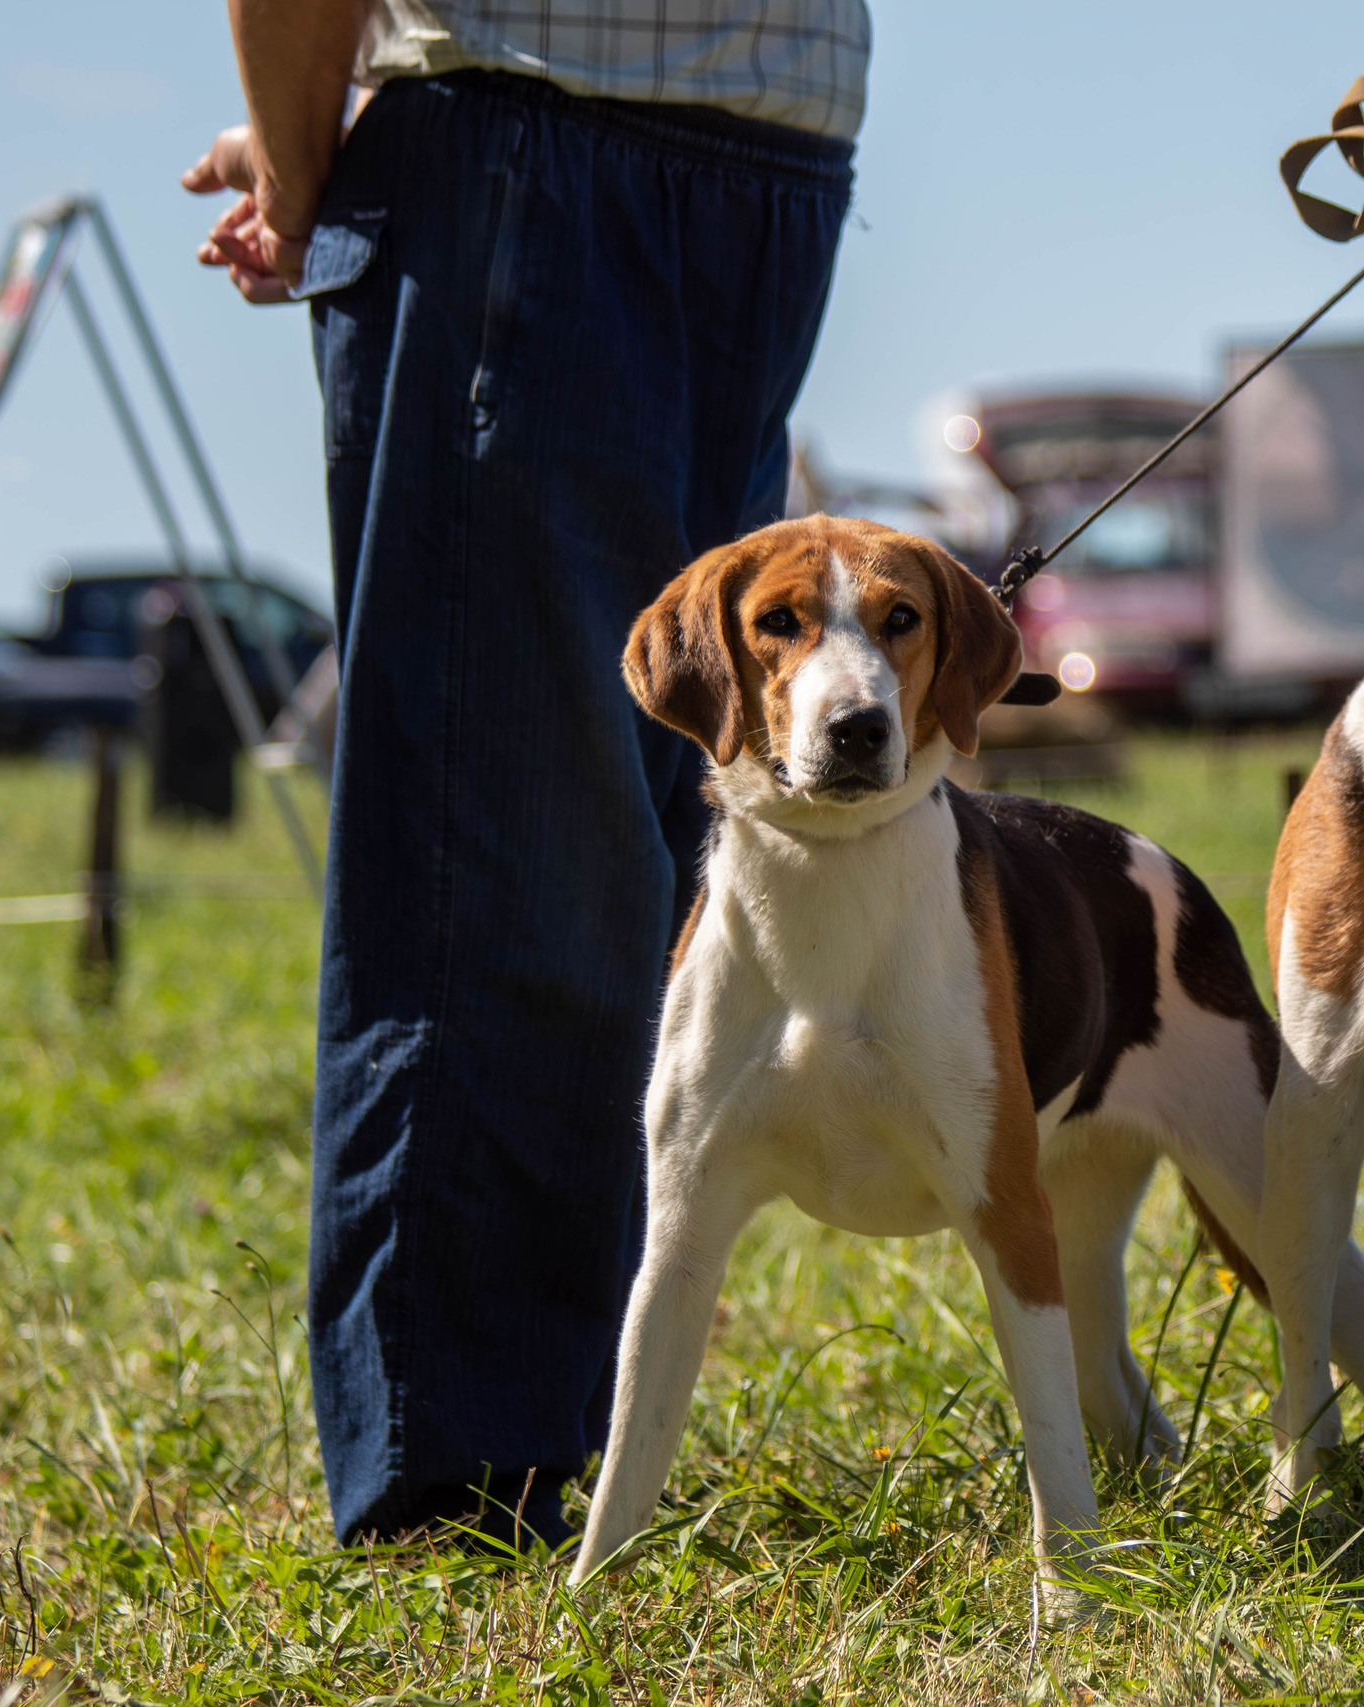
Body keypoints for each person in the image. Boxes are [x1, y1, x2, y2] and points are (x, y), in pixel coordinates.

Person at [183, 0, 868, 1547]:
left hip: (532, 146)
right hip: (780, 146)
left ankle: (466, 1472)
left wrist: (304, 171)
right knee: (629, 812)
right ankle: (557, 1422)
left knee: (489, 834)